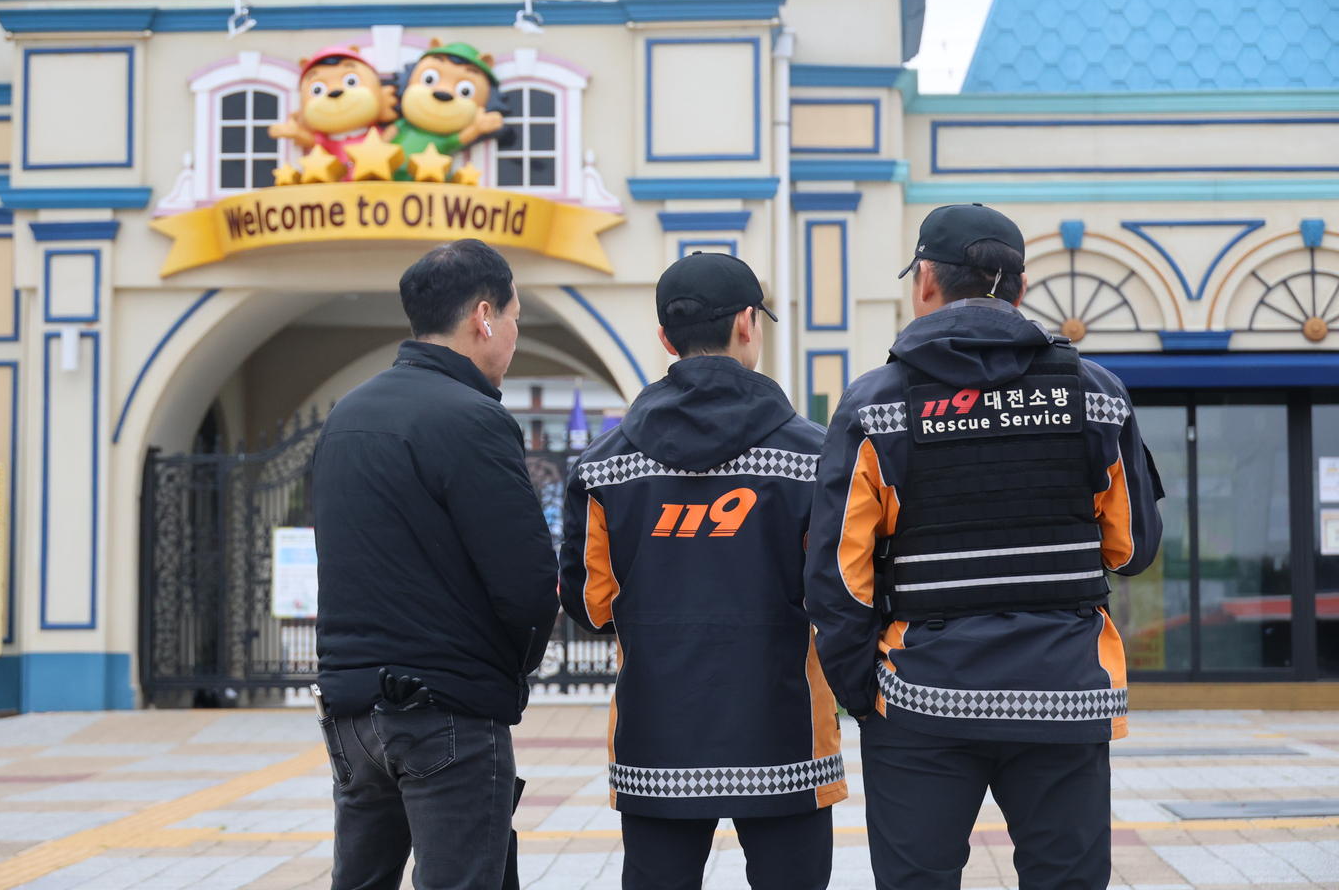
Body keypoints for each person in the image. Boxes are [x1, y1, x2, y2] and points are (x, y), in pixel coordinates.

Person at [804, 204, 1163, 890]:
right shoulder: (1096, 395)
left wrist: (868, 695)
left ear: (926, 285)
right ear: (1022, 289)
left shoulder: (875, 405)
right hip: (1064, 696)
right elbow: (1132, 547)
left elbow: (836, 579)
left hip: (921, 701)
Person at [559, 251, 847, 890]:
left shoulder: (603, 467)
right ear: (748, 323)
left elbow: (591, 606)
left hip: (657, 738)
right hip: (786, 738)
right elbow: (843, 592)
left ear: (665, 337)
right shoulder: (816, 456)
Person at [311, 239, 559, 890]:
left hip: (351, 713)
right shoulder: (473, 419)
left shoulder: (347, 417)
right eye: (513, 318)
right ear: (483, 316)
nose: (512, 333)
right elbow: (528, 584)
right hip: (445, 711)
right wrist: (511, 670)